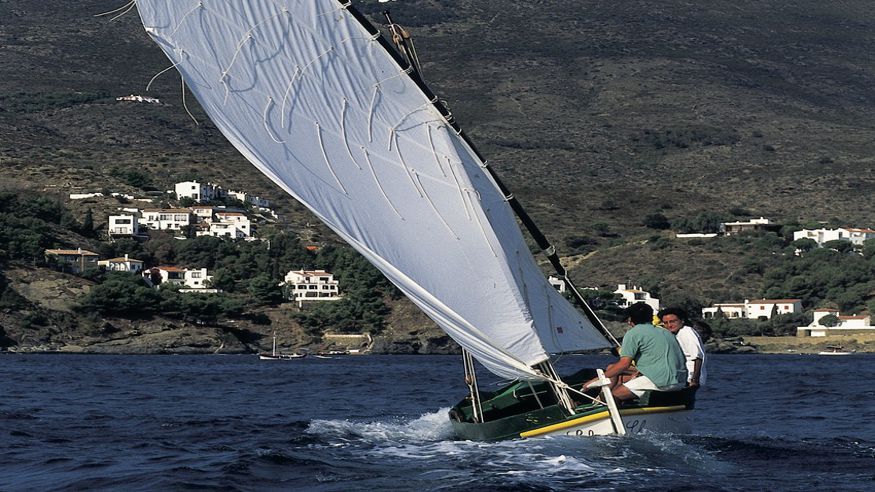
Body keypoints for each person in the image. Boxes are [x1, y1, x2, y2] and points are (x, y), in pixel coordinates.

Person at [585, 302, 687, 402]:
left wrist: (596, 381)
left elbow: (623, 365)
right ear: (651, 317)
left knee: (610, 398)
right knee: (620, 379)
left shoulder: (633, 333)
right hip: (681, 381)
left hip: (662, 382)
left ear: (630, 319)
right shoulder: (665, 332)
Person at [658, 307, 707, 389]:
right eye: (666, 323)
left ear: (682, 320)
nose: (669, 325)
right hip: (681, 376)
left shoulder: (686, 332)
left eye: (673, 321)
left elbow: (698, 357)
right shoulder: (676, 334)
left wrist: (694, 380)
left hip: (690, 378)